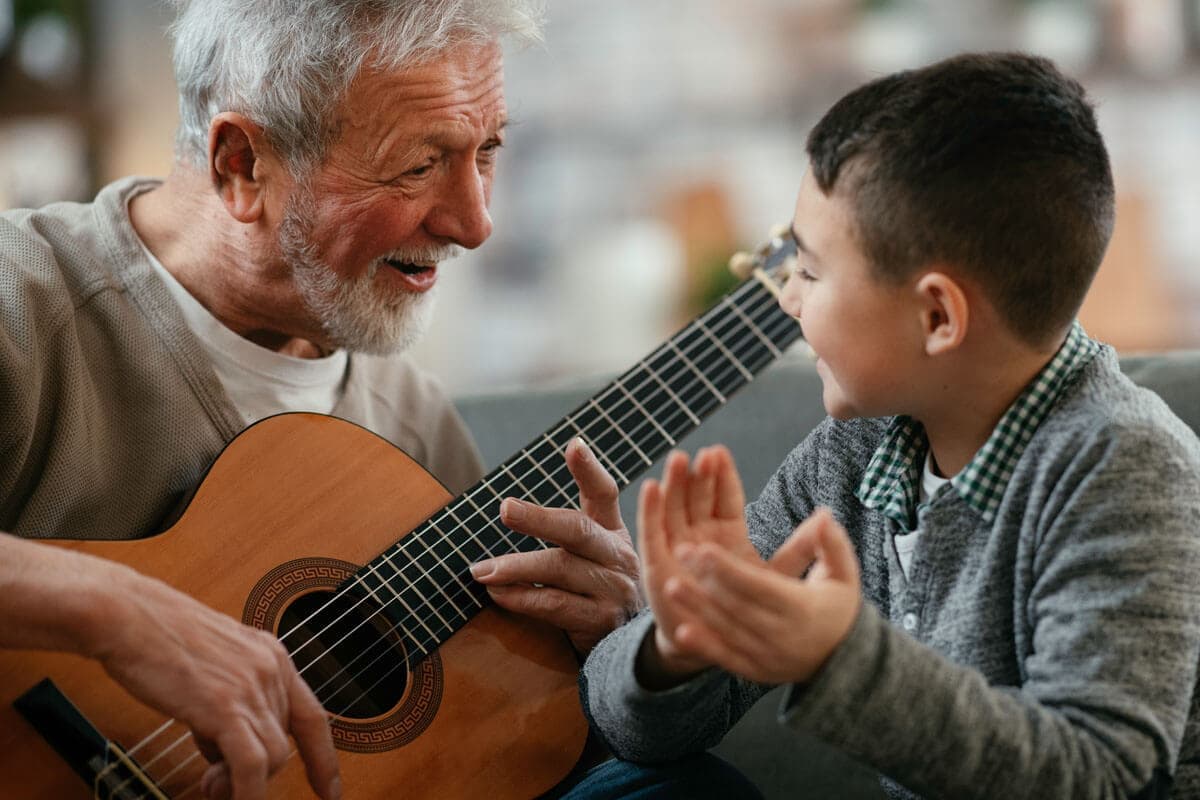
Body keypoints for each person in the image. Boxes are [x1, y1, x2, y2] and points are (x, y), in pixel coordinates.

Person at [0, 2, 644, 798]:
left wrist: (609, 652)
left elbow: (482, 758)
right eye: (418, 165)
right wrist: (116, 614)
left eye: (487, 151)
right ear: (241, 164)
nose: (476, 224)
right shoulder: (19, 308)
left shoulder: (415, 427)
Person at [580, 52, 1200, 799]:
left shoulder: (1124, 468)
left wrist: (841, 656)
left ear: (937, 316)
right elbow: (644, 731)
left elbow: (1098, 775)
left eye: (808, 271)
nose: (787, 301)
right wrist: (675, 647)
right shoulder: (855, 455)